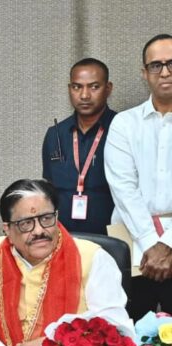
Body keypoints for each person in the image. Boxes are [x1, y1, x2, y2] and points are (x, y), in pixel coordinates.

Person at [0, 179, 130, 346]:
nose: (39, 231)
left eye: (46, 218)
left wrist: (53, 343)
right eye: (26, 223)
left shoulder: (93, 257)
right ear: (7, 229)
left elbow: (113, 325)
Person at [105, 33, 172, 321]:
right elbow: (123, 189)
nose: (165, 72)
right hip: (133, 249)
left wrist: (167, 244)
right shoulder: (124, 123)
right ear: (144, 73)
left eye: (171, 63)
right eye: (156, 65)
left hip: (161, 248)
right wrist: (151, 245)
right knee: (126, 336)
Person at [42, 58, 116, 234]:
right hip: (64, 236)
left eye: (94, 87)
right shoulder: (55, 133)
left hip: (113, 236)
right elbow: (49, 189)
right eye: (77, 87)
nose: (84, 95)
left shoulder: (123, 130)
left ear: (108, 89)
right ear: (69, 89)